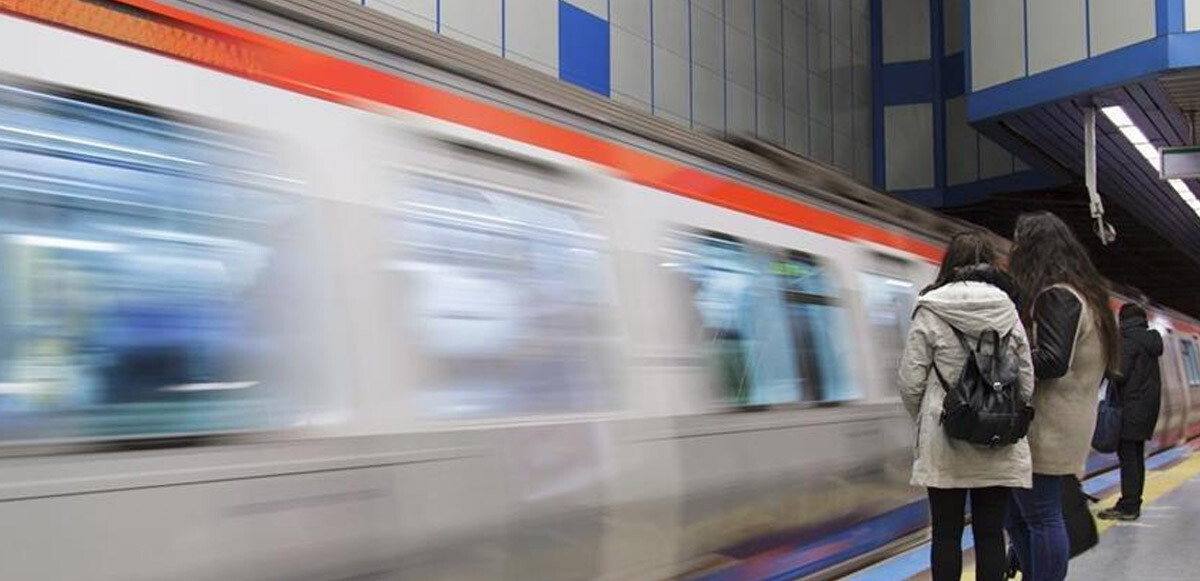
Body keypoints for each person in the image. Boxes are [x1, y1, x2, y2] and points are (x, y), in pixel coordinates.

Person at [898, 231, 1035, 581]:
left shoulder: (931, 308)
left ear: (950, 264)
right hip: (996, 441)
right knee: (990, 534)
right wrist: (1000, 414)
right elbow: (1026, 379)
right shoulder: (1008, 309)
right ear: (990, 264)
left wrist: (932, 418)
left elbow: (911, 381)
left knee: (946, 534)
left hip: (945, 439)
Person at [1005, 212, 1120, 581]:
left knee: (1040, 516)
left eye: (1019, 242)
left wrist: (1004, 359)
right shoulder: (1084, 296)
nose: (1014, 250)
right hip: (1061, 421)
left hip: (1049, 425)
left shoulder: (1058, 297)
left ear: (1033, 248)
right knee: (1022, 515)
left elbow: (1053, 361)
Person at [1098, 303, 1163, 521]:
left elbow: (1119, 374)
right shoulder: (1149, 340)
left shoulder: (1128, 340)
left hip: (1130, 409)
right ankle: (1133, 501)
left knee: (1128, 459)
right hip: (1145, 409)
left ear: (1122, 319)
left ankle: (1129, 506)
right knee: (1135, 457)